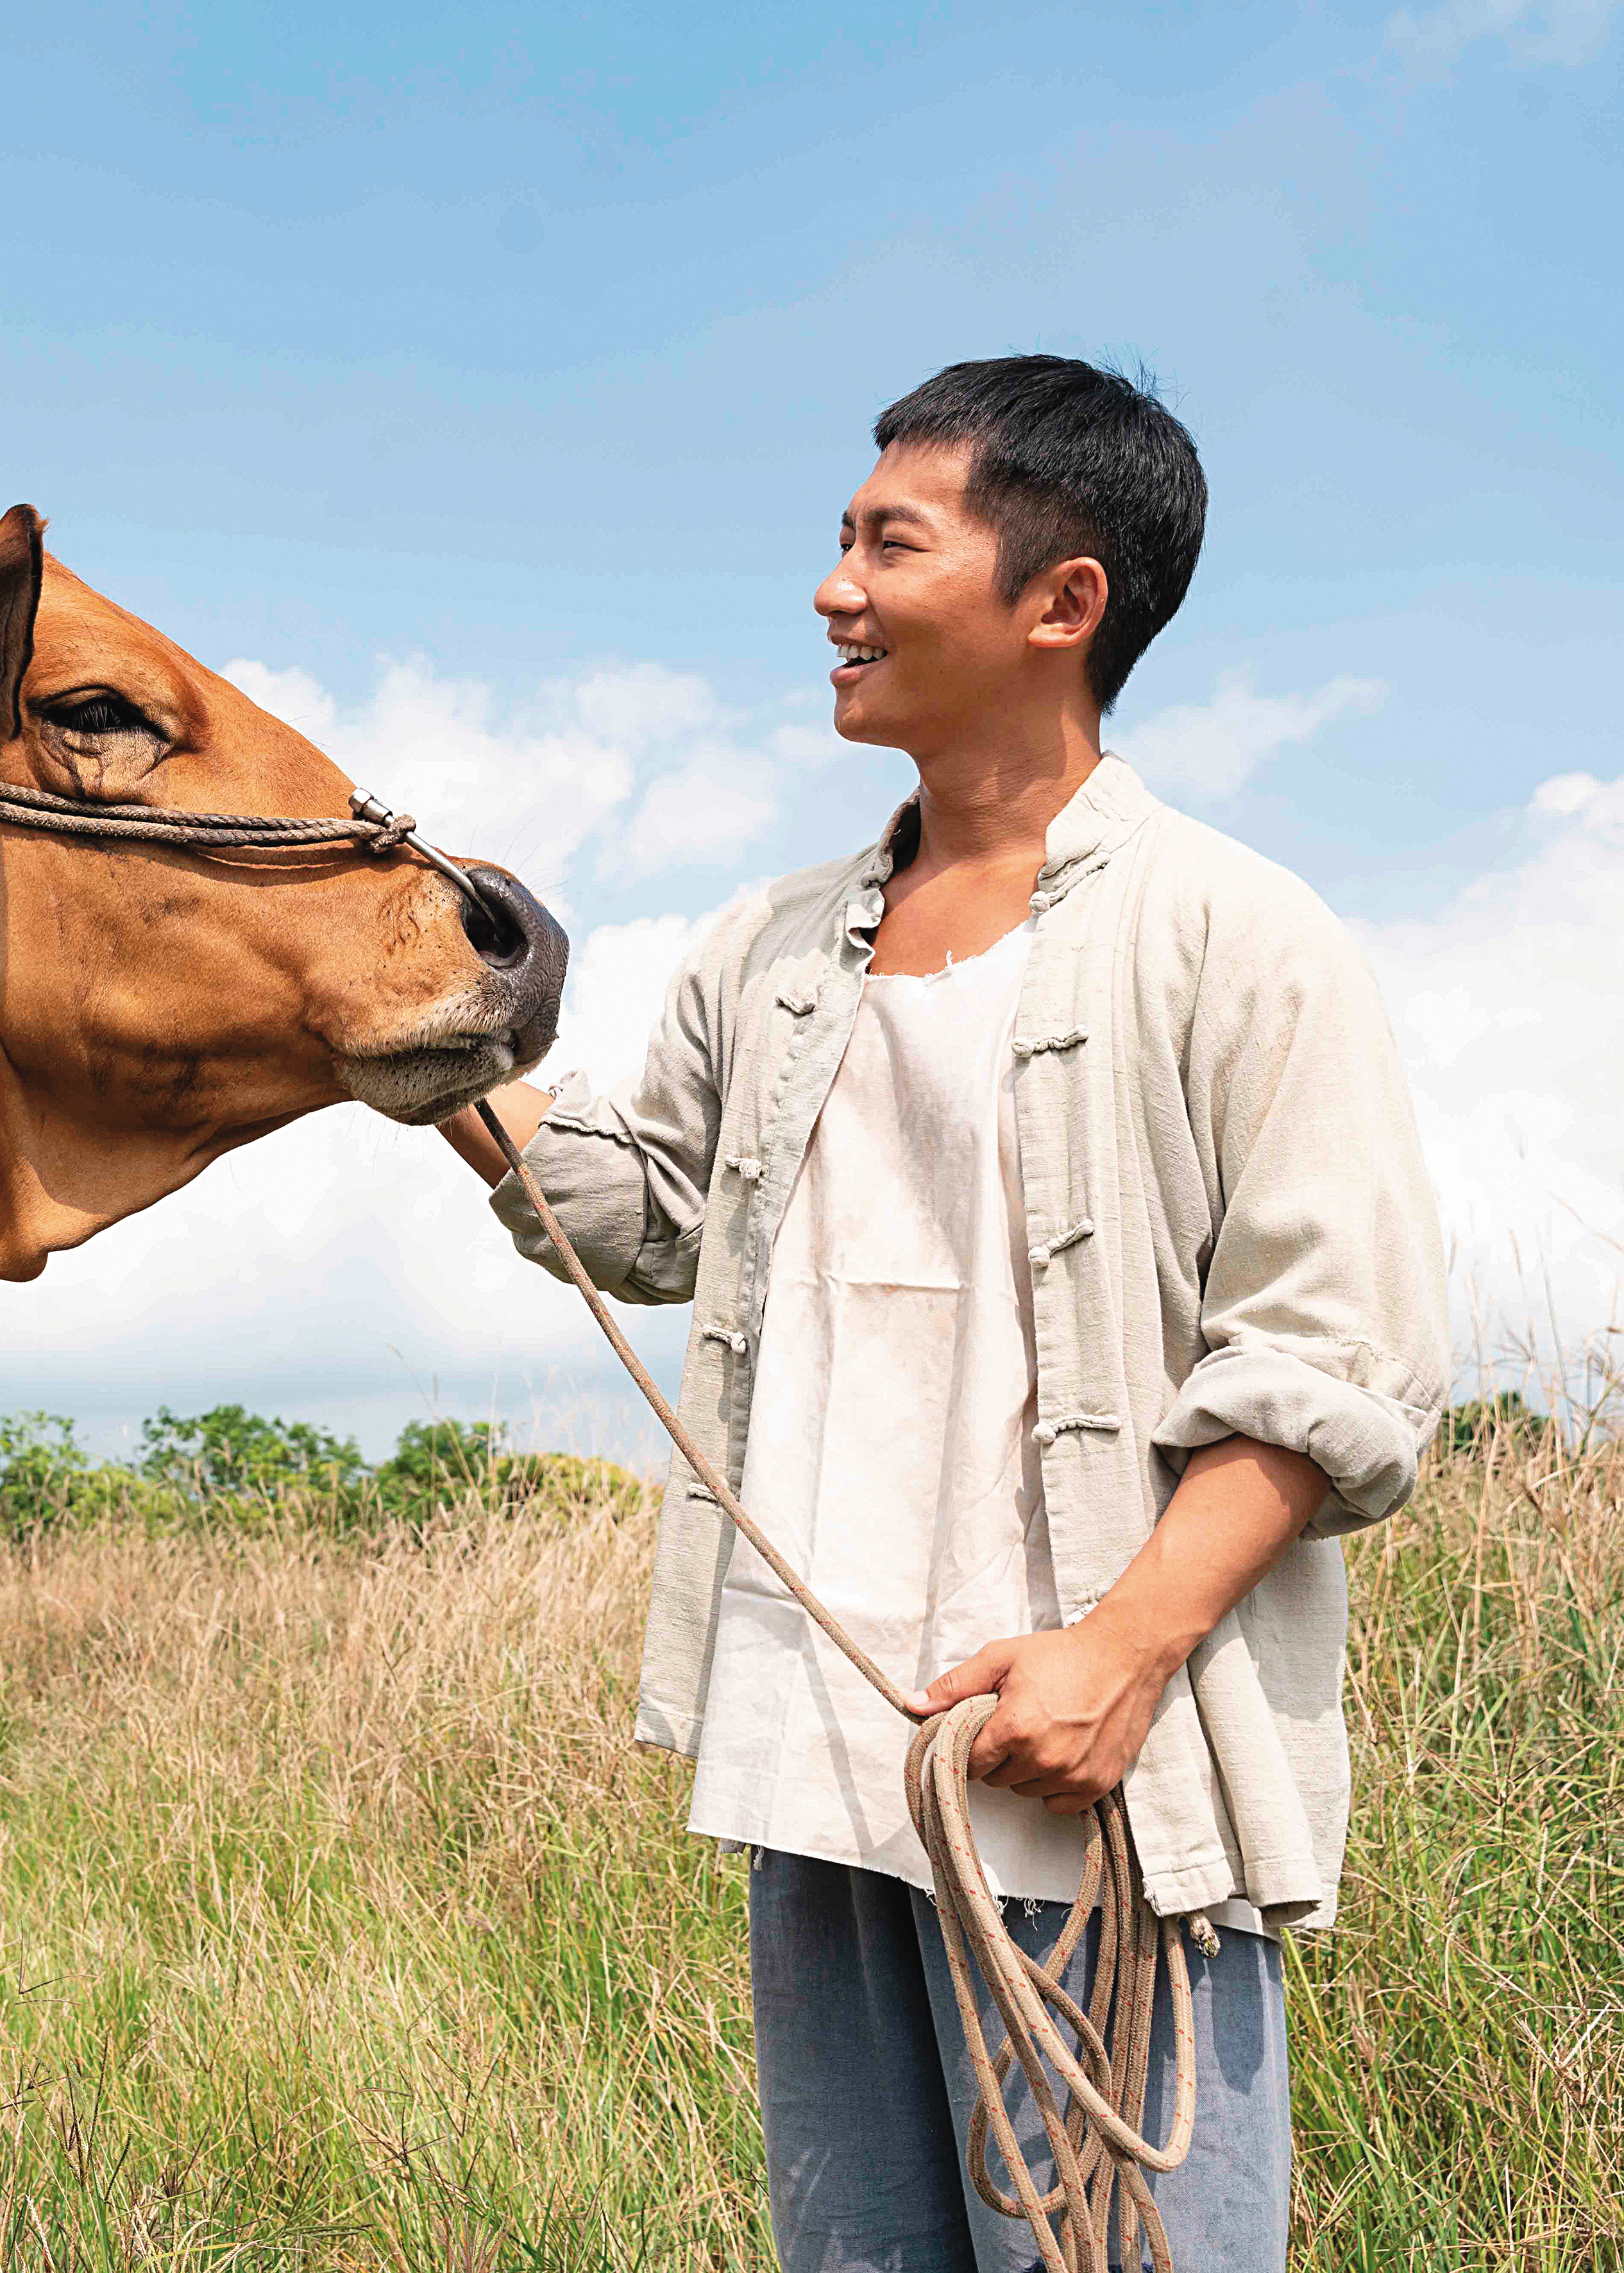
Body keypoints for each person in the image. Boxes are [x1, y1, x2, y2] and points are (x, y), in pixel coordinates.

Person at [441, 356, 1444, 2270]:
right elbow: (647, 1219)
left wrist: (1122, 1655)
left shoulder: (1237, 934)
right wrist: (427, 1042)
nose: (834, 588)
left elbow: (1333, 1363)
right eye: (840, 538)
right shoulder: (771, 944)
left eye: (890, 544)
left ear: (1063, 601)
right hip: (826, 1758)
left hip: (1087, 1768)